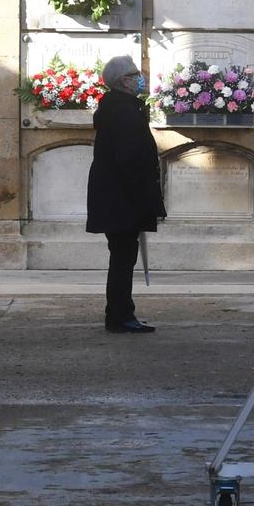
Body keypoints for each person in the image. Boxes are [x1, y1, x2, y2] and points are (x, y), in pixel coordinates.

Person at [86, 54, 164, 333]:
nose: (140, 78)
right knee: (122, 258)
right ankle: (120, 316)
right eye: (134, 74)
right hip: (123, 199)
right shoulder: (123, 111)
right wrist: (144, 200)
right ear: (123, 81)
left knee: (122, 256)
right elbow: (130, 158)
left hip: (117, 197)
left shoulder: (119, 107)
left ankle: (119, 313)